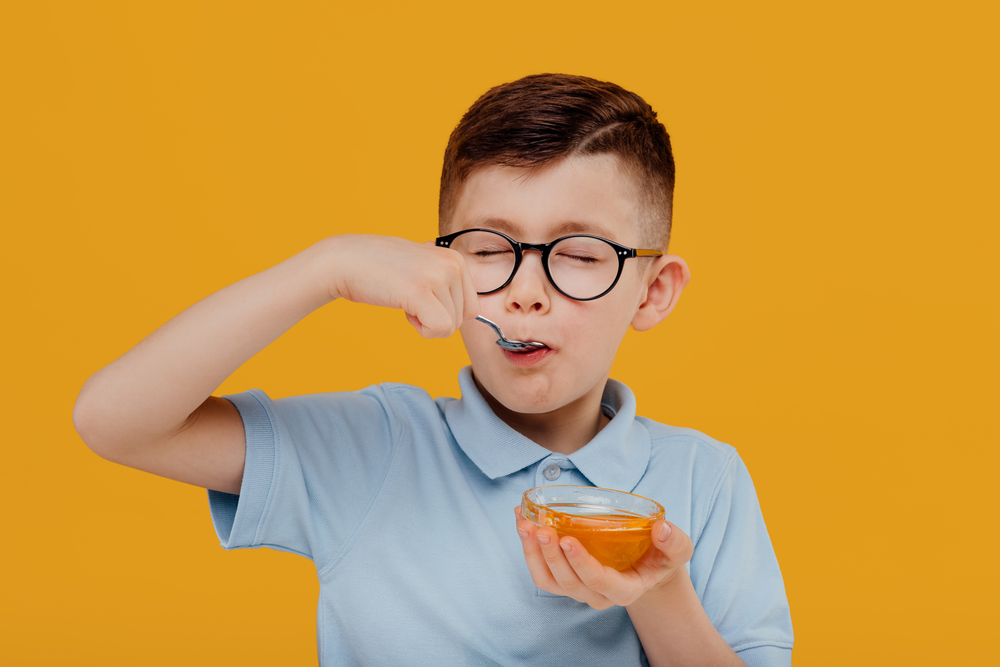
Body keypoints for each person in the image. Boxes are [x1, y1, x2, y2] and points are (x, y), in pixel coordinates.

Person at [73, 73, 793, 666]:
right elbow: (113, 420)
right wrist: (322, 268)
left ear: (653, 290)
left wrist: (657, 594)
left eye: (578, 254)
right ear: (435, 265)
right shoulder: (374, 446)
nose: (526, 289)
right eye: (488, 248)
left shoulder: (705, 478)